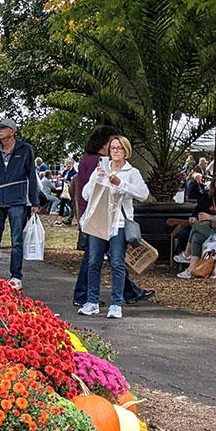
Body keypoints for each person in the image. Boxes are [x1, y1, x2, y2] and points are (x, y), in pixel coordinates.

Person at [73, 127, 155, 307]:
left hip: (118, 222)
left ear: (126, 151)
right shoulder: (100, 168)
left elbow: (143, 194)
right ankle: (91, 301)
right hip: (98, 222)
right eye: (112, 148)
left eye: (119, 148)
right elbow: (86, 194)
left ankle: (116, 304)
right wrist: (97, 180)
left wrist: (122, 184)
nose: (115, 151)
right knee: (94, 262)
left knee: (117, 263)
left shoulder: (131, 172)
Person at [0, 118, 39, 290]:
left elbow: (31, 176)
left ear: (13, 131)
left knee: (16, 241)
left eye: (3, 128)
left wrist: (34, 201)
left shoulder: (25, 150)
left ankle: (16, 276)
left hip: (17, 201)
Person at [176, 174, 216, 279]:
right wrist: (193, 218)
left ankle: (186, 254)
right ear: (214, 184)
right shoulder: (207, 197)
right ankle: (191, 270)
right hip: (207, 228)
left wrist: (210, 217)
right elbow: (196, 211)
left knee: (197, 225)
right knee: (196, 237)